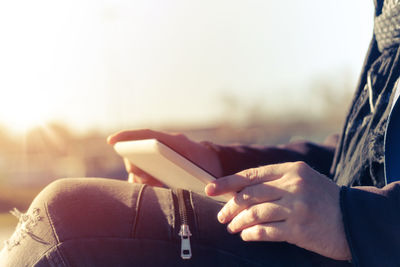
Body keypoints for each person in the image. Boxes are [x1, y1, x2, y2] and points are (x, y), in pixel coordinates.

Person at [1, 0, 400, 266]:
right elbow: (358, 155)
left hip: (368, 245)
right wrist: (222, 163)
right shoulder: (389, 25)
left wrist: (356, 218)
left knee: (69, 221)